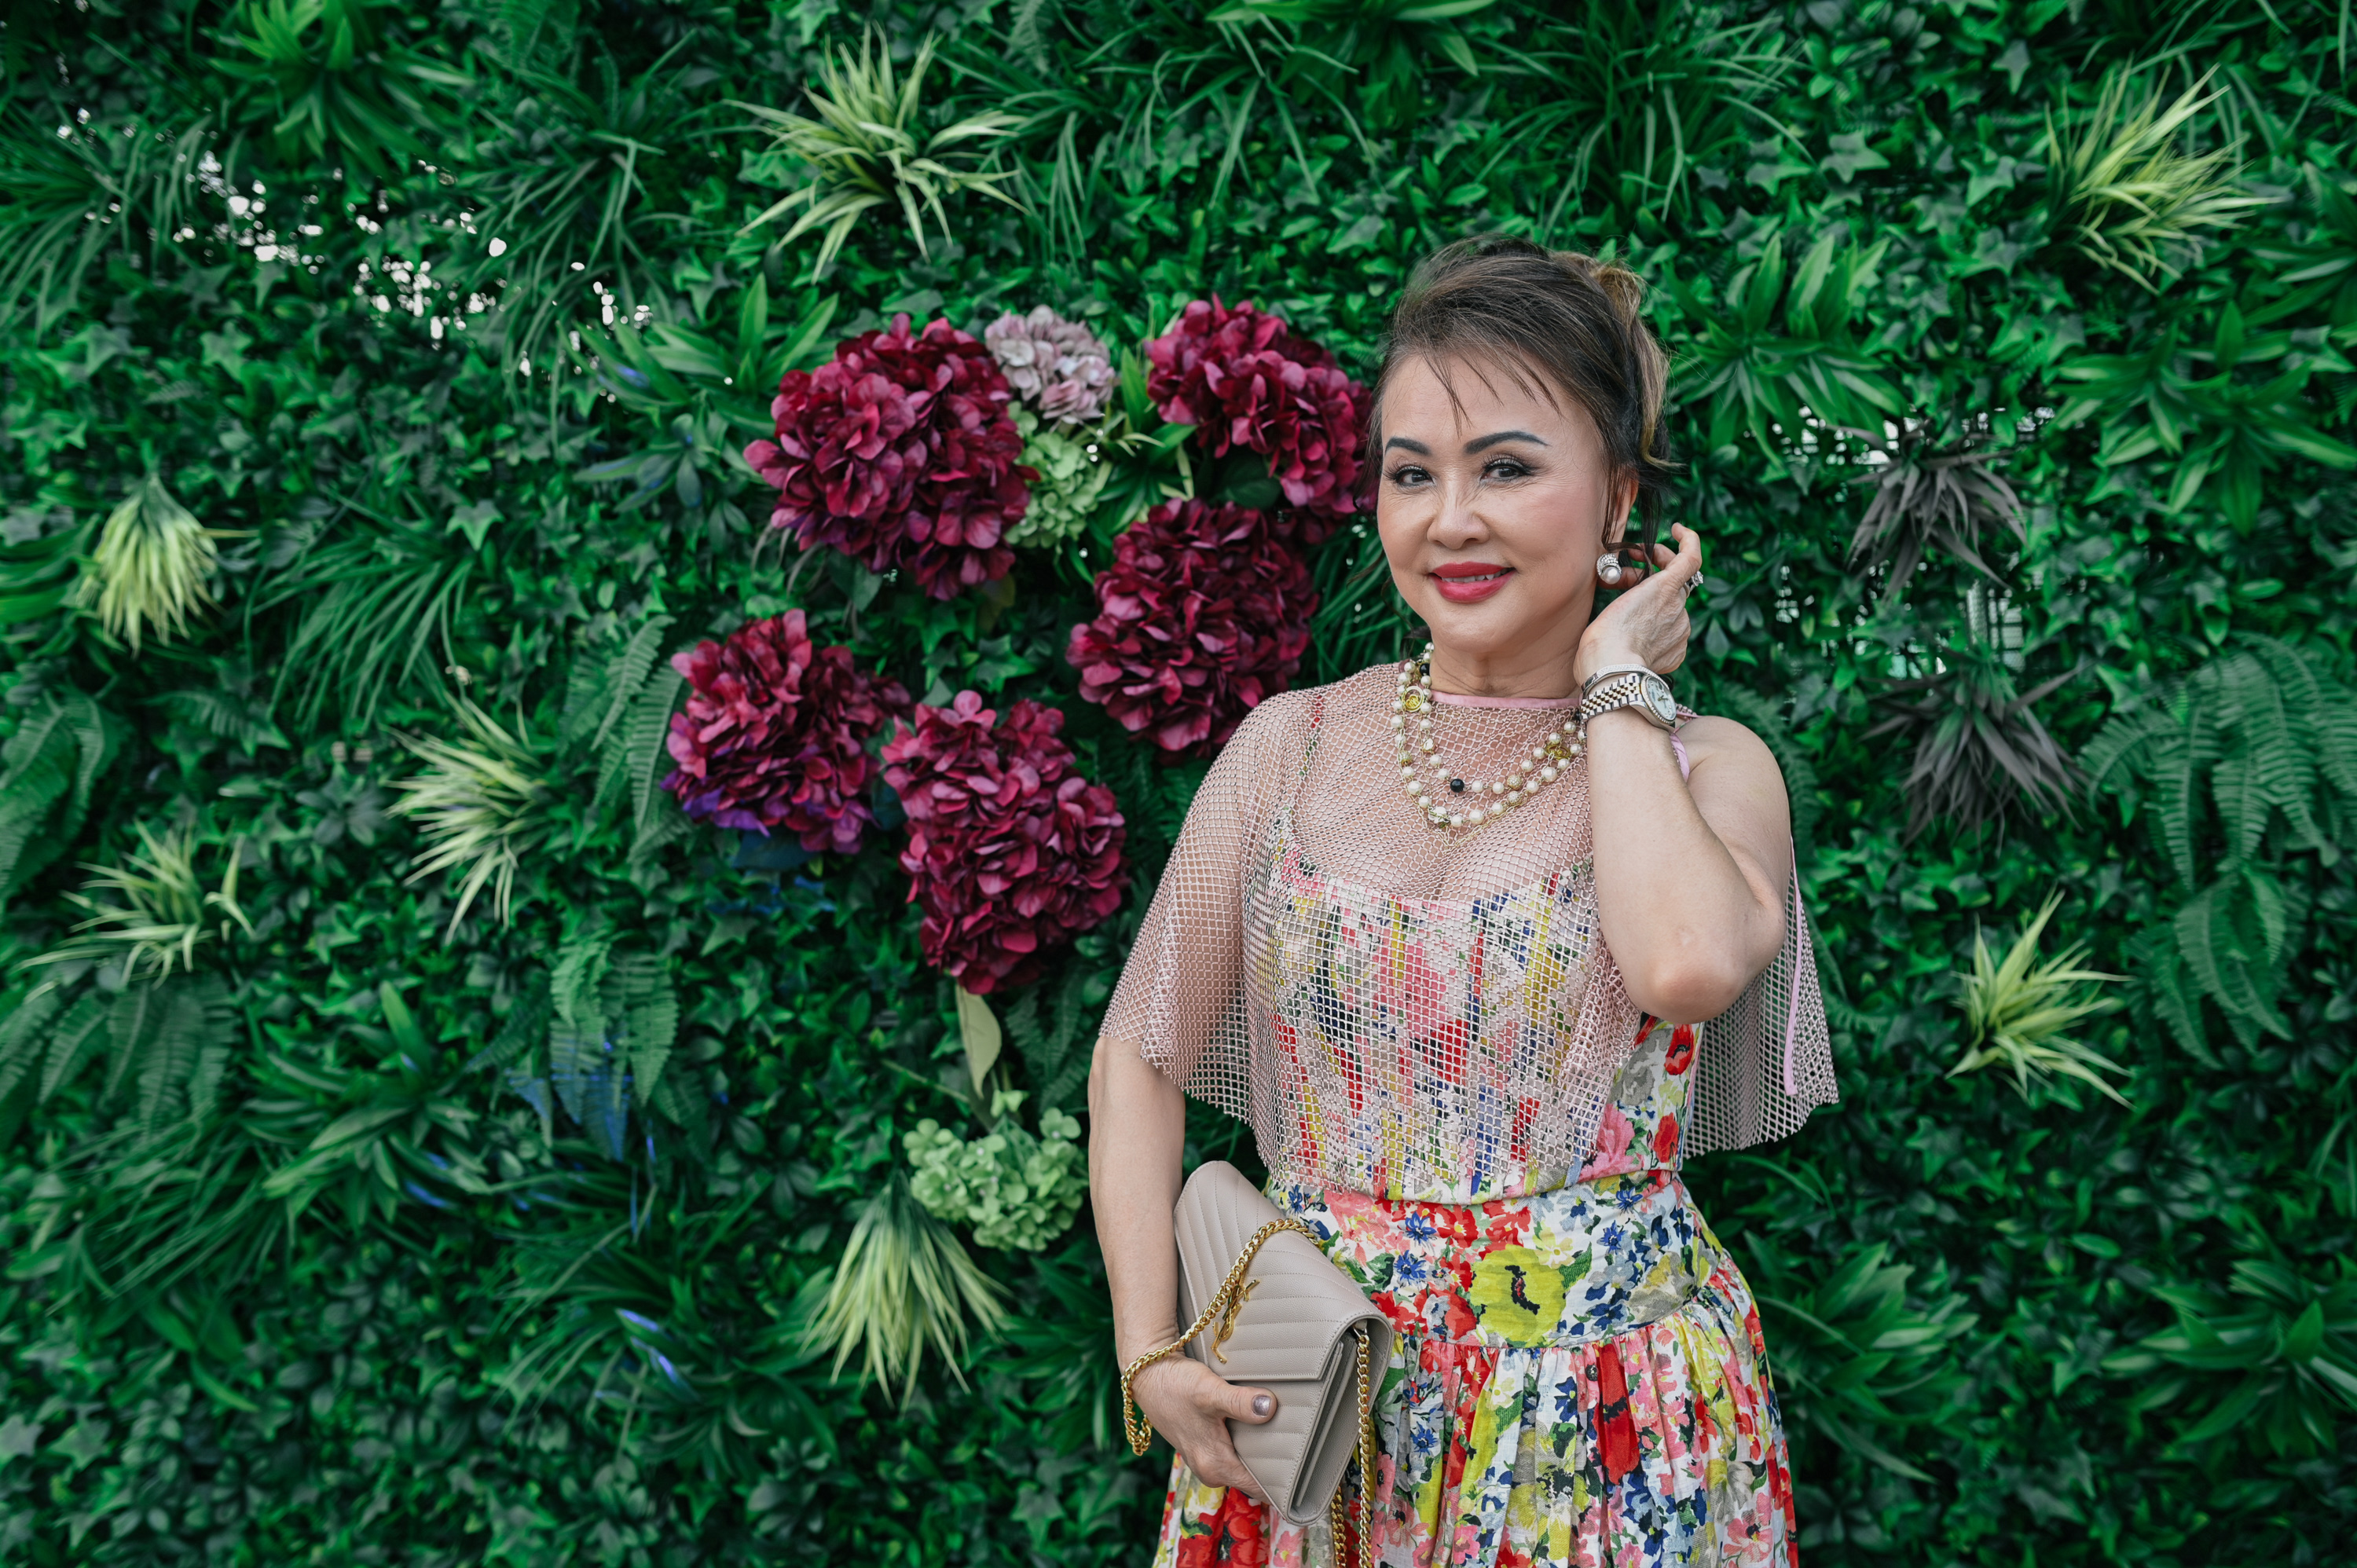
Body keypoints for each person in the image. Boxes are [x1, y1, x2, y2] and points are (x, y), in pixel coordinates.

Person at [1087, 236, 1838, 1567]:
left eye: (1506, 468)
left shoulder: (1709, 768)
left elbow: (1683, 965)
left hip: (1606, 1426)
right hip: (1319, 1410)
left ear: (1618, 501)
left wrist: (1617, 683)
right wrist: (1151, 1349)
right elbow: (1141, 1055)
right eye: (1411, 473)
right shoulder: (1292, 746)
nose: (1449, 521)